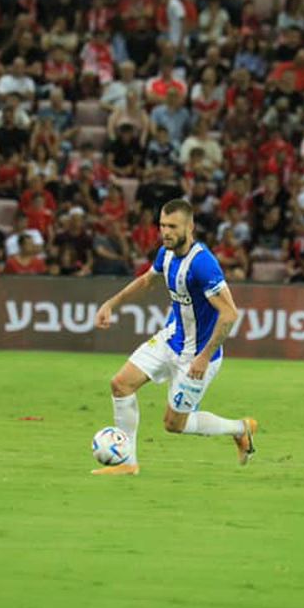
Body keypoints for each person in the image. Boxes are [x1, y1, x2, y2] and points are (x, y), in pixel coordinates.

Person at [91, 198, 256, 477]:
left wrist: (203, 357)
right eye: (162, 225)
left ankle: (240, 429)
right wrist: (111, 303)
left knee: (174, 424)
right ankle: (127, 462)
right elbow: (146, 280)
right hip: (170, 339)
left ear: (189, 227)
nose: (165, 232)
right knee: (120, 384)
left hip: (197, 357)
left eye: (172, 226)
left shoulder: (203, 264)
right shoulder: (166, 254)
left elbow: (229, 314)